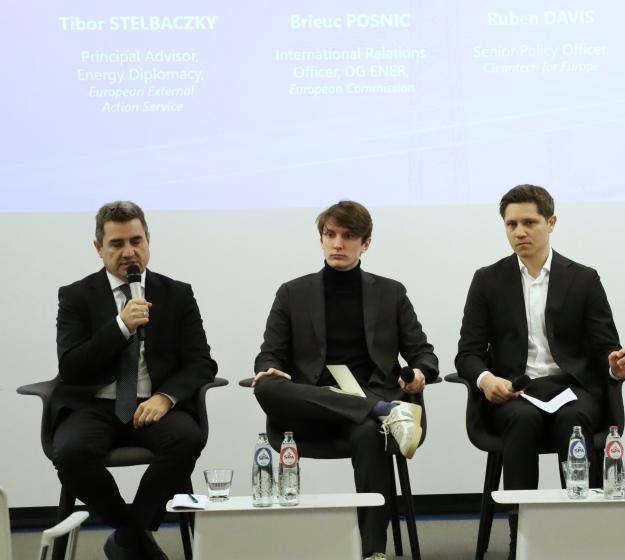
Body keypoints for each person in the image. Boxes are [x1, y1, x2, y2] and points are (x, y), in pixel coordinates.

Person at [456, 184, 625, 558]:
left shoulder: (583, 278)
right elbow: (468, 353)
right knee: (522, 421)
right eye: (511, 225)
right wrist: (485, 379)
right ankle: (522, 536)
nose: (519, 232)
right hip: (517, 391)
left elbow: (605, 343)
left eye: (529, 222)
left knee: (571, 420)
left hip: (572, 389)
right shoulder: (488, 280)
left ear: (551, 222)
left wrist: (614, 363)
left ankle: (580, 532)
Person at [251, 201, 438, 560]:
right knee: (266, 385)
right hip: (312, 408)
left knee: (369, 431)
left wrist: (419, 374)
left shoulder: (391, 292)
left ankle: (373, 553)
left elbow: (424, 354)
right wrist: (269, 367)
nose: (338, 243)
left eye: (348, 236)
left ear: (365, 244)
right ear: (321, 239)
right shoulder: (292, 292)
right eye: (330, 235)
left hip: (366, 407)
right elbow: (270, 353)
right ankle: (382, 410)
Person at [52, 201, 217, 560]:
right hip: (95, 404)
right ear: (99, 249)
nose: (129, 252)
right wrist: (122, 326)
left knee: (187, 439)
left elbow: (201, 362)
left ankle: (127, 539)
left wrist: (166, 397)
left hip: (153, 404)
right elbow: (72, 367)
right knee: (70, 453)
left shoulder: (177, 293)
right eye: (116, 244)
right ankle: (134, 534)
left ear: (148, 242)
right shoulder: (76, 296)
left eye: (136, 241)